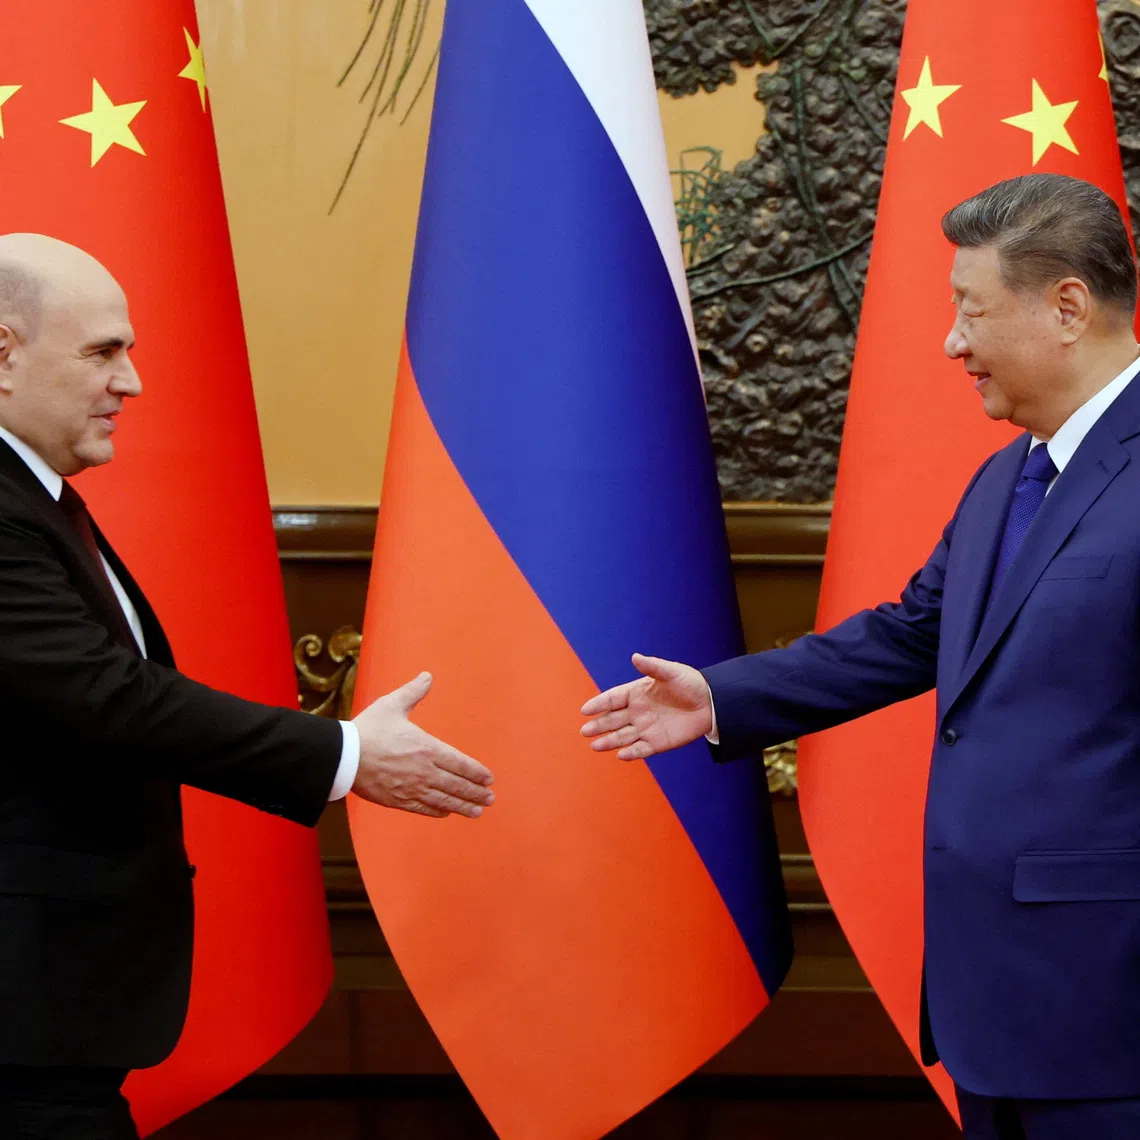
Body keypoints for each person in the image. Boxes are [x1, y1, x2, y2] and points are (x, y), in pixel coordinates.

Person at [582, 173, 1140, 1140]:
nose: (952, 343)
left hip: (1114, 1003)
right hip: (997, 1005)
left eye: (971, 311)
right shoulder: (1009, 473)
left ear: (1067, 307)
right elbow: (912, 632)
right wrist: (719, 697)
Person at [0, 233, 495, 1140]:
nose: (132, 382)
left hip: (52, 1011)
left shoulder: (38, 499)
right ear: (4, 356)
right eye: (103, 352)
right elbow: (105, 696)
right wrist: (345, 755)